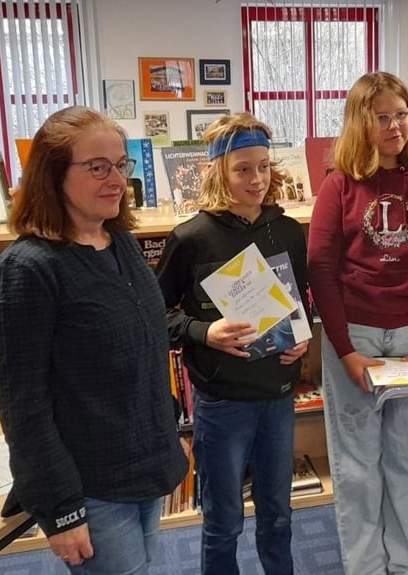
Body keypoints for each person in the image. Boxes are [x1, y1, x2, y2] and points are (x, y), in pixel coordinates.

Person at [0, 106, 188, 574]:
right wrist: (60, 509)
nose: (116, 179)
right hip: (90, 486)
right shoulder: (27, 271)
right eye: (97, 167)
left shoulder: (122, 243)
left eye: (120, 165)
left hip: (144, 466)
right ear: (53, 176)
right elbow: (23, 406)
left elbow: (145, 348)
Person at [307, 71, 408, 575]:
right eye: (382, 117)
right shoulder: (338, 185)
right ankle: (367, 568)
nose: (395, 126)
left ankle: (407, 565)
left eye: (402, 114)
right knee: (356, 468)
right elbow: (321, 269)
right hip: (356, 339)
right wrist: (346, 350)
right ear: (360, 122)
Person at [154, 113, 308, 575]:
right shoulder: (191, 239)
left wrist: (302, 338)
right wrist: (204, 333)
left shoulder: (288, 231)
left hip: (277, 394)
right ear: (220, 170)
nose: (257, 179)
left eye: (263, 166)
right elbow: (156, 316)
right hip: (223, 401)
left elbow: (299, 302)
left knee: (278, 515)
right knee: (223, 521)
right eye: (243, 169)